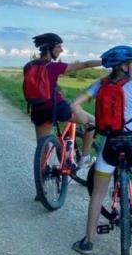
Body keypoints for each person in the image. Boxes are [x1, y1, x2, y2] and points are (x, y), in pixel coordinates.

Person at [70, 45, 132, 254]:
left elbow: (75, 104)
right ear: (124, 66)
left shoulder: (99, 85)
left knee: (97, 194)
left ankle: (88, 241)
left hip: (108, 143)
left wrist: (88, 120)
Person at [23, 33, 101, 165]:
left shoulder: (28, 66)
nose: (61, 50)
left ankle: (42, 174)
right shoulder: (54, 67)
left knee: (42, 145)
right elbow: (86, 64)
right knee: (92, 122)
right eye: (58, 46)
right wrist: (107, 61)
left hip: (38, 110)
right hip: (57, 108)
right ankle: (84, 156)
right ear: (50, 48)